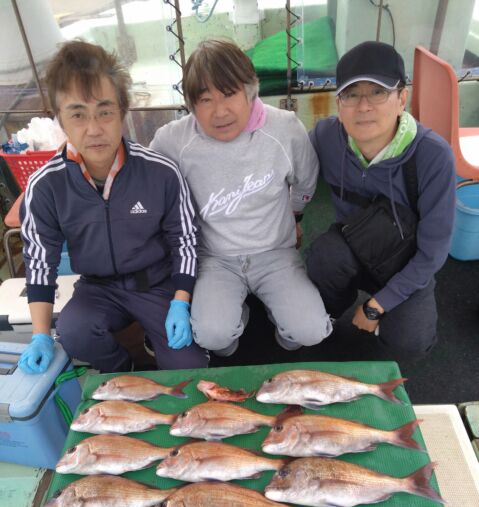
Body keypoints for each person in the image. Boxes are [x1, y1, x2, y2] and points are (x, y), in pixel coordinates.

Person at [19, 40, 208, 374]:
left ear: (122, 111)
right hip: (98, 288)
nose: (94, 129)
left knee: (189, 366)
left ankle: (157, 344)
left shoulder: (160, 172)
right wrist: (40, 335)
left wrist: (180, 301)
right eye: (78, 114)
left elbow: (186, 240)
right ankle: (128, 370)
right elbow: (39, 263)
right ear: (60, 119)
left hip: (158, 284)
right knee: (74, 331)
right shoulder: (45, 186)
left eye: (105, 112)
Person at [150, 39, 332, 357]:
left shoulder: (285, 128)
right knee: (214, 339)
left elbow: (306, 179)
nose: (220, 111)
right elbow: (144, 179)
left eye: (229, 94)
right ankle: (238, 319)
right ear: (191, 105)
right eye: (205, 100)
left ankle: (280, 323)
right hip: (214, 259)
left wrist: (296, 215)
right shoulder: (173, 141)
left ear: (251, 90)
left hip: (275, 252)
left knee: (309, 332)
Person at [306, 41, 456, 358]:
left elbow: (432, 254)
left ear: (402, 98)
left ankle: (387, 316)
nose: (363, 106)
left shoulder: (433, 155)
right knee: (324, 256)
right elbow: (282, 164)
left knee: (410, 343)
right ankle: (329, 312)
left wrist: (377, 306)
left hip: (405, 262)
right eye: (351, 94)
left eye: (377, 92)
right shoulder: (325, 137)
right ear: (338, 103)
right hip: (352, 247)